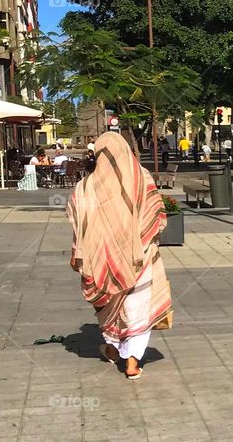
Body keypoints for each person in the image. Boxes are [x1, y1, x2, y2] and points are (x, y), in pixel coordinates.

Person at [66, 132, 172, 381]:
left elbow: (79, 227)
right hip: (139, 257)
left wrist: (75, 254)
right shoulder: (142, 179)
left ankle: (115, 348)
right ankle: (131, 361)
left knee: (111, 308)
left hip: (100, 260)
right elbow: (157, 216)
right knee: (136, 307)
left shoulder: (86, 186)